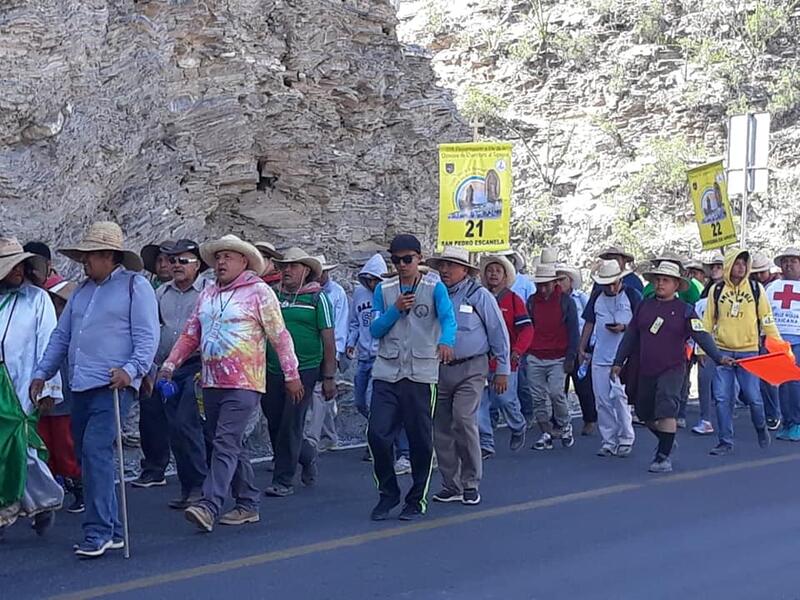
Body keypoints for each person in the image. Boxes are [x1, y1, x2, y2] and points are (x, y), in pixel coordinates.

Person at [31, 221, 159, 557]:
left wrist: (131, 371)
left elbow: (147, 338)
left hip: (114, 386)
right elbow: (61, 336)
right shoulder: (82, 291)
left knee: (94, 450)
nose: (84, 261)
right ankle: (112, 527)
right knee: (91, 456)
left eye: (90, 256)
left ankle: (98, 531)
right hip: (82, 385)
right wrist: (42, 372)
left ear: (108, 255)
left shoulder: (136, 286)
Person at [161, 235, 301, 532]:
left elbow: (280, 336)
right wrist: (170, 364)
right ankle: (248, 503)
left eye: (228, 257)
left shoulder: (259, 292)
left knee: (224, 441)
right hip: (212, 381)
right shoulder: (209, 294)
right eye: (219, 257)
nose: (221, 262)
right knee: (226, 442)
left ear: (244, 262)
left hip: (244, 382)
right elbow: (190, 334)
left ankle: (209, 506)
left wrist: (291, 374)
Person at [367, 234, 456, 521]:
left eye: (407, 259)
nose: (402, 264)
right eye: (396, 260)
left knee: (420, 440)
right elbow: (375, 329)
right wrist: (396, 310)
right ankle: (388, 492)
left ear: (419, 258)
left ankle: (416, 500)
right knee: (377, 435)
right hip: (387, 372)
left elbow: (448, 319)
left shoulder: (434, 287)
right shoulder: (384, 288)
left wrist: (447, 341)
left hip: (420, 374)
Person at [613, 262, 732, 473]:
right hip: (646, 367)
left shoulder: (685, 310)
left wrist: (718, 356)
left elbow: (701, 335)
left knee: (667, 408)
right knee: (645, 413)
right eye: (658, 279)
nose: (660, 283)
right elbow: (631, 335)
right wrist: (618, 361)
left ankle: (663, 456)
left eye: (665, 280)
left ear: (676, 284)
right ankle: (667, 441)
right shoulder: (644, 305)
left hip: (673, 368)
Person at [426, 247, 509, 507]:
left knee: (463, 418)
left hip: (472, 367)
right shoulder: (433, 294)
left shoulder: (478, 294)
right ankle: (452, 484)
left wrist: (502, 369)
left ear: (465, 270)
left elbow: (498, 331)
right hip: (440, 368)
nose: (445, 270)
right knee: (441, 427)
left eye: (451, 265)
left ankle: (471, 481)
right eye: (443, 265)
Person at [133, 240, 210, 511]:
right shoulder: (160, 293)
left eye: (183, 261)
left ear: (198, 265)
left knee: (186, 424)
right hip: (165, 367)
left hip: (196, 366)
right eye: (173, 261)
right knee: (174, 428)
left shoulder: (208, 293)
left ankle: (200, 486)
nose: (176, 265)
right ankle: (189, 486)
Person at [0, 239, 63, 538]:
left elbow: (48, 342)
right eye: (9, 265)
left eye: (19, 264)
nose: (16, 270)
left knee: (20, 448)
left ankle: (42, 501)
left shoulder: (37, 300)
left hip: (22, 385)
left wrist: (48, 385)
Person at [263, 248, 336, 496]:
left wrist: (329, 377)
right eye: (284, 267)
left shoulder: (317, 299)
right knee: (274, 420)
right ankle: (306, 455)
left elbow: (328, 339)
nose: (287, 271)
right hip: (272, 368)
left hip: (305, 369)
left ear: (306, 271)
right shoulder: (271, 296)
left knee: (291, 422)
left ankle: (283, 480)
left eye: (293, 266)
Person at [702, 249, 780, 455]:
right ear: (729, 265)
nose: (741, 267)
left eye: (744, 264)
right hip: (722, 352)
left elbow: (766, 318)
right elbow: (708, 321)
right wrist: (702, 350)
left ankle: (761, 427)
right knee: (721, 398)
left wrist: (778, 344)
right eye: (737, 263)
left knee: (754, 397)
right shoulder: (716, 290)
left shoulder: (755, 289)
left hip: (749, 352)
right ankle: (725, 441)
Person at [346, 254, 412, 468]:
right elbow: (355, 322)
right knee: (360, 403)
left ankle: (390, 447)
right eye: (370, 279)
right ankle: (384, 436)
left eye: (377, 279)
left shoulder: (391, 294)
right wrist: (351, 342)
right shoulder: (359, 294)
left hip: (384, 357)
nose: (373, 283)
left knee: (375, 403)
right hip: (364, 356)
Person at [580, 259, 641, 457]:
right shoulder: (597, 297)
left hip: (623, 356)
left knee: (620, 398)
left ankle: (625, 438)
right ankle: (608, 440)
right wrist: (582, 347)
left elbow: (641, 323)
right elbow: (589, 322)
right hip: (600, 355)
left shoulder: (632, 295)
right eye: (608, 284)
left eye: (615, 283)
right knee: (602, 400)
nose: (612, 287)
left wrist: (624, 328)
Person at [477, 254, 531, 460]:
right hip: (481, 361)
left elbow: (526, 329)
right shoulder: (479, 297)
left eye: (497, 271)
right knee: (481, 403)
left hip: (506, 361)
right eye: (490, 270)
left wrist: (517, 351)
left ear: (505, 275)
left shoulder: (514, 300)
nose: (493, 274)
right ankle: (486, 444)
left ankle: (518, 425)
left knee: (504, 399)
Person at [39, 279, 84, 513]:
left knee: (66, 446)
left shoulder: (75, 331)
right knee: (46, 445)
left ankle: (79, 488)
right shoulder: (44, 326)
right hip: (44, 396)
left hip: (65, 397)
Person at [526, 264, 579, 450]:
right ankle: (546, 430)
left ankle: (565, 426)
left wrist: (571, 356)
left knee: (557, 393)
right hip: (535, 354)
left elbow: (574, 331)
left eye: (546, 285)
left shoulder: (566, 302)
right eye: (540, 285)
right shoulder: (532, 302)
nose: (543, 289)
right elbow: (527, 327)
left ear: (554, 283)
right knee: (538, 397)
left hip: (558, 356)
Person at [308, 254, 349, 452]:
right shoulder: (313, 293)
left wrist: (336, 354)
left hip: (330, 349)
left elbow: (339, 325)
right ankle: (329, 435)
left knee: (321, 394)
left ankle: (315, 439)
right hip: (318, 349)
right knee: (323, 396)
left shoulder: (336, 293)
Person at [557, 264, 597, 437]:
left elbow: (591, 321)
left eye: (562, 279)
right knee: (558, 387)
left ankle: (589, 419)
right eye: (556, 279)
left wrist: (589, 345)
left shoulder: (580, 298)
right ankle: (560, 422)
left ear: (571, 281)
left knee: (582, 385)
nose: (559, 283)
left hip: (580, 345)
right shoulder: (553, 300)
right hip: (559, 346)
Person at [500, 249, 536, 428]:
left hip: (513, 349)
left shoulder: (520, 292)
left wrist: (520, 348)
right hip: (485, 356)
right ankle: (486, 440)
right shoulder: (482, 295)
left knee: (516, 388)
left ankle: (522, 419)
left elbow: (529, 320)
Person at [767, 247, 800, 441]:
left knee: (795, 382)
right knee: (781, 383)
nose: (788, 264)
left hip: (798, 340)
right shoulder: (772, 288)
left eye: (793, 261)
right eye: (785, 261)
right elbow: (764, 313)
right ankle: (787, 422)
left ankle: (797, 422)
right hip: (777, 342)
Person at [750, 252, 781, 431]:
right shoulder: (754, 288)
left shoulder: (775, 286)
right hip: (762, 338)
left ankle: (781, 413)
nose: (759, 276)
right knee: (766, 378)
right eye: (756, 273)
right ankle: (772, 414)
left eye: (762, 272)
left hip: (778, 335)